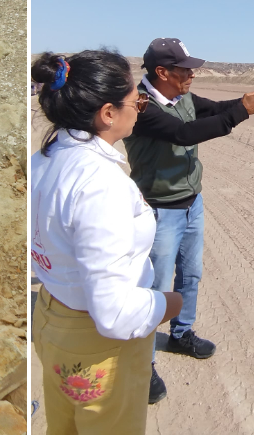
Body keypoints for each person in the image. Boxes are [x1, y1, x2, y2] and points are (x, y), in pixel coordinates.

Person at [122, 37, 254, 403]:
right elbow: (183, 133)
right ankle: (142, 362)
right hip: (160, 209)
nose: (192, 74)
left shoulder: (184, 99)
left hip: (191, 204)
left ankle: (181, 333)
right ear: (162, 72)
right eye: (185, 68)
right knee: (155, 288)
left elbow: (215, 110)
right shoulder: (142, 105)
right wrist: (239, 112)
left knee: (190, 274)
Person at [30, 50, 183, 434]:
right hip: (97, 347)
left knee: (64, 427)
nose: (140, 110)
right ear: (108, 113)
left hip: (54, 316)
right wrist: (168, 303)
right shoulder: (100, 184)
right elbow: (113, 314)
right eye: (137, 102)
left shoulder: (45, 158)